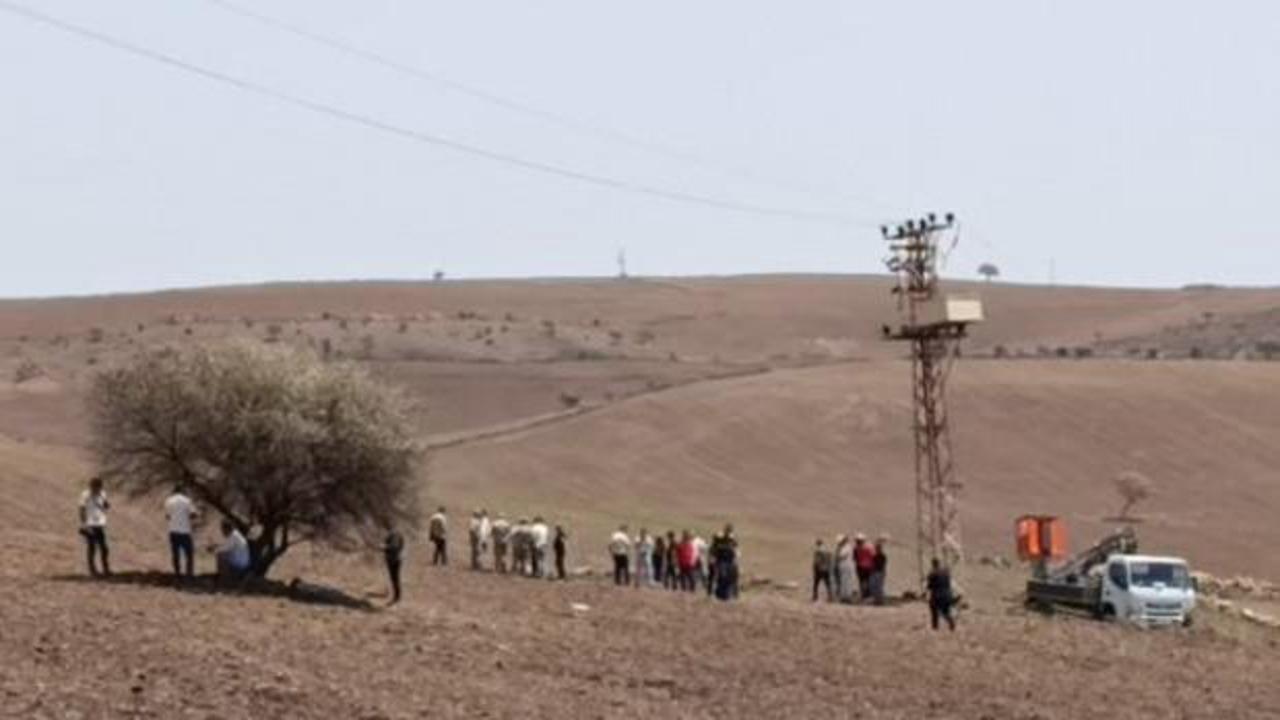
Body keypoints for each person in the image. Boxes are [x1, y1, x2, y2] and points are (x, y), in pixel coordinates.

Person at [78, 477, 111, 577]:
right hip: (90, 524)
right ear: (91, 486)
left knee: (104, 548)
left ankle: (106, 569)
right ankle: (92, 569)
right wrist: (84, 524)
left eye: (99, 487)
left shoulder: (102, 494)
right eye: (95, 487)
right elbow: (81, 509)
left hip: (100, 523)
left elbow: (106, 506)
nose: (97, 489)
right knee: (92, 547)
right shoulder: (85, 495)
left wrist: (105, 503)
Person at [164, 483, 199, 578]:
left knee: (175, 554)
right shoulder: (187, 501)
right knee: (189, 554)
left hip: (173, 530)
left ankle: (177, 574)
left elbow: (167, 516)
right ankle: (189, 574)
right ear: (183, 491)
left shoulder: (169, 501)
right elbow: (193, 514)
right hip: (185, 531)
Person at [926, 558, 957, 631]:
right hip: (948, 594)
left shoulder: (932, 574)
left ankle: (935, 627)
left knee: (934, 611)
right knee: (945, 611)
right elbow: (949, 583)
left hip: (937, 595)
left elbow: (929, 586)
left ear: (933, 564)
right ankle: (951, 622)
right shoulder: (946, 572)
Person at [710, 529, 739, 601]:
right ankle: (721, 595)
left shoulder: (733, 542)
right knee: (722, 578)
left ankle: (729, 595)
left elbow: (737, 553)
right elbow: (713, 552)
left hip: (730, 562)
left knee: (730, 579)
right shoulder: (719, 542)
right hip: (722, 562)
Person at [384, 529, 405, 605]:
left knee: (395, 578)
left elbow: (393, 547)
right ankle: (395, 594)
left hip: (393, 559)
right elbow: (401, 546)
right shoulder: (398, 534)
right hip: (396, 558)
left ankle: (397, 596)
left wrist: (384, 548)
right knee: (394, 578)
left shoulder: (394, 535)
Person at [854, 533, 876, 601]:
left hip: (860, 566)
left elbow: (855, 557)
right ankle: (867, 595)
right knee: (867, 581)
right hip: (868, 566)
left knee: (862, 581)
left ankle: (864, 595)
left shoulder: (856, 547)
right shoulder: (869, 546)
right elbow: (874, 555)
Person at [835, 535, 856, 604]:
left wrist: (838, 551)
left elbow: (841, 555)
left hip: (846, 565)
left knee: (847, 581)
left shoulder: (847, 547)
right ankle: (844, 596)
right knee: (843, 581)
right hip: (843, 566)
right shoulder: (843, 547)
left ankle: (847, 596)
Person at [812, 538, 834, 603]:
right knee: (828, 583)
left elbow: (817, 561)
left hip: (819, 569)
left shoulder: (818, 550)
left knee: (816, 583)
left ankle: (815, 596)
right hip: (826, 569)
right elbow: (830, 559)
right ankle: (830, 596)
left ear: (817, 543)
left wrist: (815, 568)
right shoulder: (827, 550)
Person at [871, 536, 889, 606]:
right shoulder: (875, 556)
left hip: (879, 572)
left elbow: (882, 565)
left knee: (879, 587)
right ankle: (876, 599)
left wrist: (883, 573)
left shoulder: (882, 556)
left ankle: (880, 600)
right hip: (875, 572)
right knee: (874, 586)